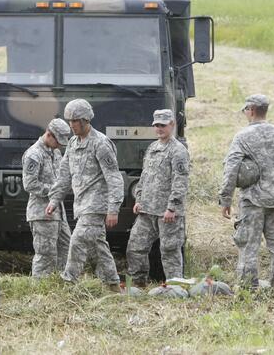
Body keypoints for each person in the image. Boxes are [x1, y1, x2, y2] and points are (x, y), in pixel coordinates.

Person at [219, 94, 274, 290]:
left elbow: (231, 169)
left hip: (252, 201)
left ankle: (247, 288)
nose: (245, 113)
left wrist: (225, 199)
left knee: (248, 246)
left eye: (245, 110)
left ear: (252, 110)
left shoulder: (242, 137)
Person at [46, 99, 124, 291]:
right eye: (69, 120)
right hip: (81, 204)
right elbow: (64, 174)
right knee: (98, 246)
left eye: (75, 121)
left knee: (78, 239)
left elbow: (114, 178)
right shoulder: (72, 143)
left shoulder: (101, 144)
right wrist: (54, 199)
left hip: (96, 205)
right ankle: (113, 286)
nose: (71, 125)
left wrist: (113, 209)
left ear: (86, 120)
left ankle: (68, 283)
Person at [126, 109, 190, 286]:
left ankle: (175, 286)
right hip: (146, 211)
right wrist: (138, 199)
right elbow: (145, 177)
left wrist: (172, 208)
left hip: (167, 213)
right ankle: (137, 284)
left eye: (163, 125)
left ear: (172, 124)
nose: (159, 128)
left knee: (169, 250)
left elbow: (180, 182)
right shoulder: (153, 148)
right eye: (157, 125)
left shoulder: (178, 151)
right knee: (135, 247)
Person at [22, 118, 72, 277]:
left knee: (67, 247)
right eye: (58, 141)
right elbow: (30, 184)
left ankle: (60, 284)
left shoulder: (55, 152)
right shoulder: (34, 154)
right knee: (45, 255)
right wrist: (55, 190)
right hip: (42, 213)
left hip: (58, 212)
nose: (60, 145)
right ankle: (40, 292)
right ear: (49, 135)